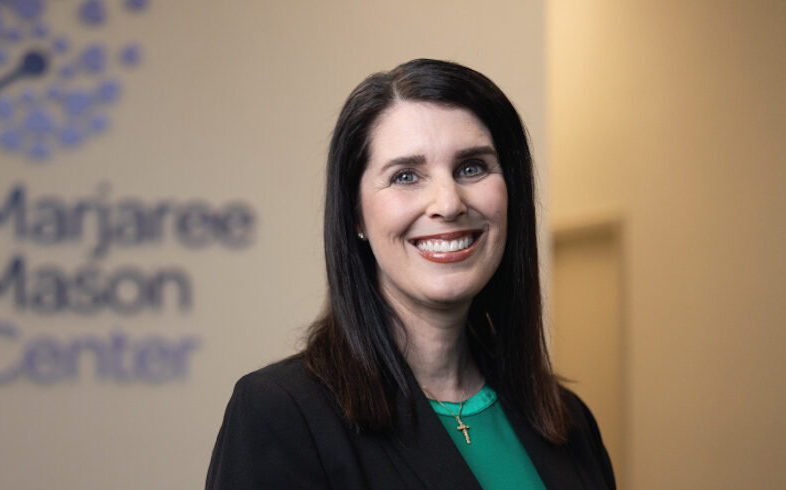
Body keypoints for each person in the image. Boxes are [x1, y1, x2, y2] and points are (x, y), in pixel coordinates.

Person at [205, 59, 615, 489]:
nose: (449, 202)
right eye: (406, 175)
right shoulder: (283, 415)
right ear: (356, 215)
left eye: (472, 167)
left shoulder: (570, 422)